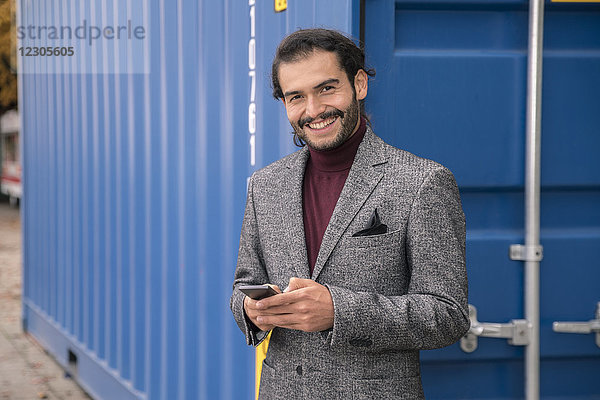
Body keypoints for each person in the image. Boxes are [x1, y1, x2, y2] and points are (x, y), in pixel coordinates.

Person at [230, 28, 469, 399]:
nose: (313, 111)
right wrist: (249, 310)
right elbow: (244, 283)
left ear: (359, 84)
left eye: (326, 88)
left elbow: (447, 314)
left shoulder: (423, 182)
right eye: (296, 97)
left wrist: (340, 311)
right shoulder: (264, 185)